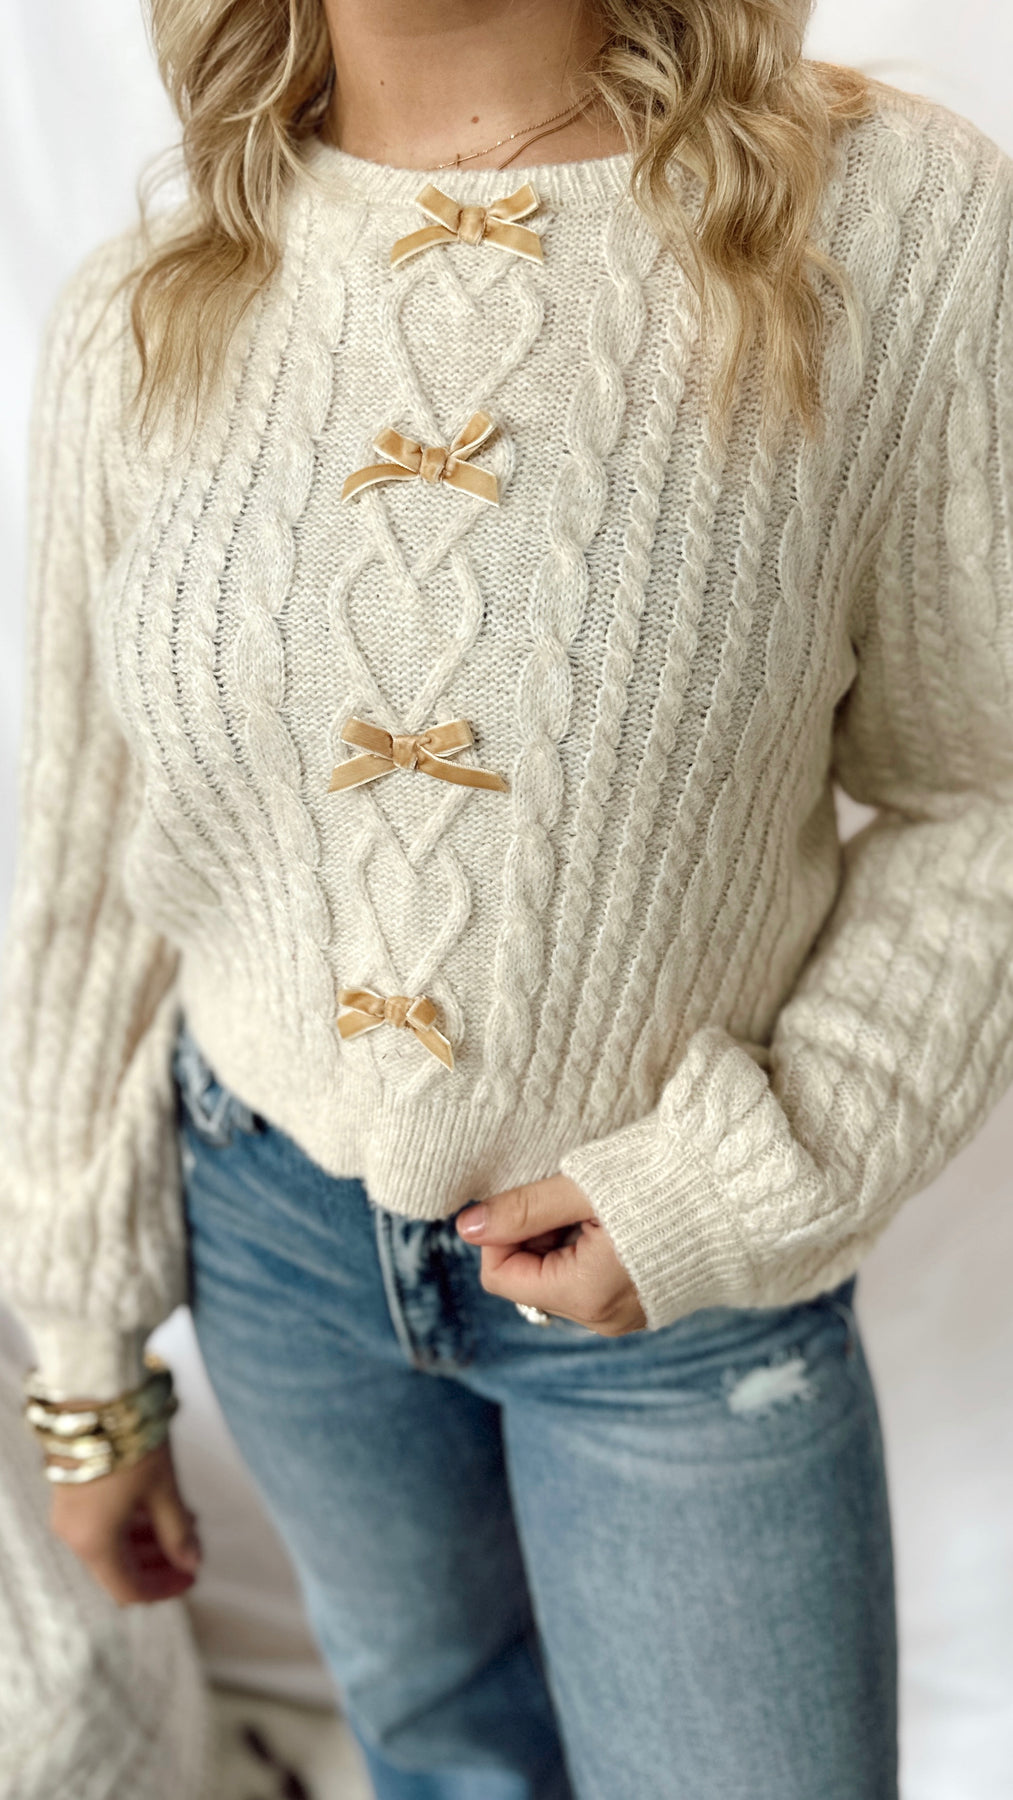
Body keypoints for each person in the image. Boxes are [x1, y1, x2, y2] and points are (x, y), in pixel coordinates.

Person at [3, 1, 1013, 1794]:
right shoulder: (152, 298)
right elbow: (85, 859)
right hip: (274, 1246)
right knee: (441, 1766)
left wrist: (740, 1182)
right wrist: (84, 1369)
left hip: (686, 1300)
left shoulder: (882, 226)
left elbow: (985, 793)